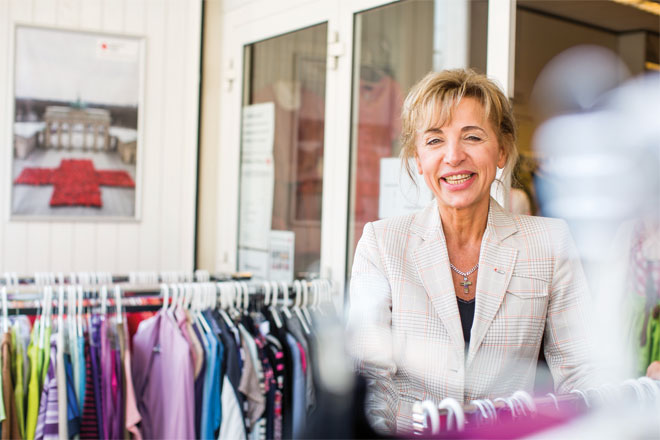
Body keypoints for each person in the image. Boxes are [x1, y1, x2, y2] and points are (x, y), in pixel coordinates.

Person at [347, 69, 597, 435]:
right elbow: (370, 380)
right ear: (418, 158)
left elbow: (581, 371)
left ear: (502, 149)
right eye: (434, 140)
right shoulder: (382, 244)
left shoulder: (550, 241)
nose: (453, 156)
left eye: (472, 137)